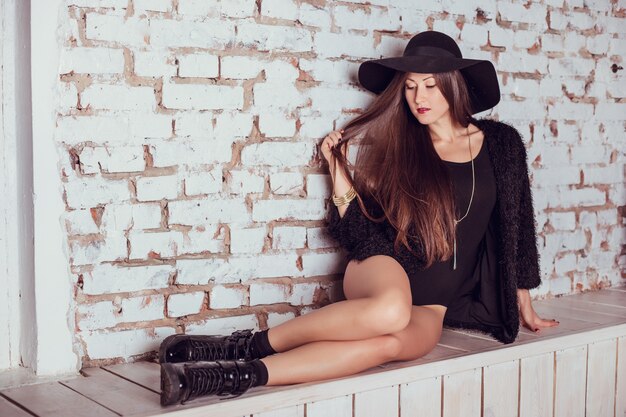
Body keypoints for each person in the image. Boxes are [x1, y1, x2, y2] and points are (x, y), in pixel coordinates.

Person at [158, 30, 559, 406]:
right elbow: (361, 228)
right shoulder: (404, 149)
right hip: (383, 266)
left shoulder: (501, 144)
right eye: (410, 86)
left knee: (386, 345)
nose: (419, 96)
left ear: (453, 84)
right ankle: (244, 344)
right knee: (391, 311)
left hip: (432, 306)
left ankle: (220, 378)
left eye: (430, 85)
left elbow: (517, 222)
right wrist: (337, 168)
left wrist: (523, 296)